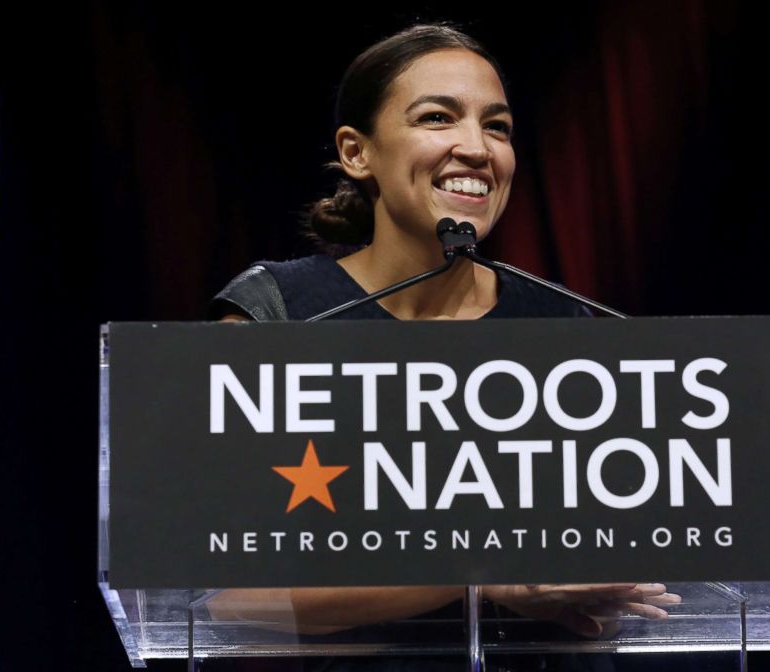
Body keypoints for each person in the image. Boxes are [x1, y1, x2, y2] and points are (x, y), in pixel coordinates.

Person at [206, 22, 679, 670]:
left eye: (498, 127)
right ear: (356, 153)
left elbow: (622, 582)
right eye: (438, 117)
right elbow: (226, 604)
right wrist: (483, 578)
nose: (477, 149)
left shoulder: (569, 330)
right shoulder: (278, 319)